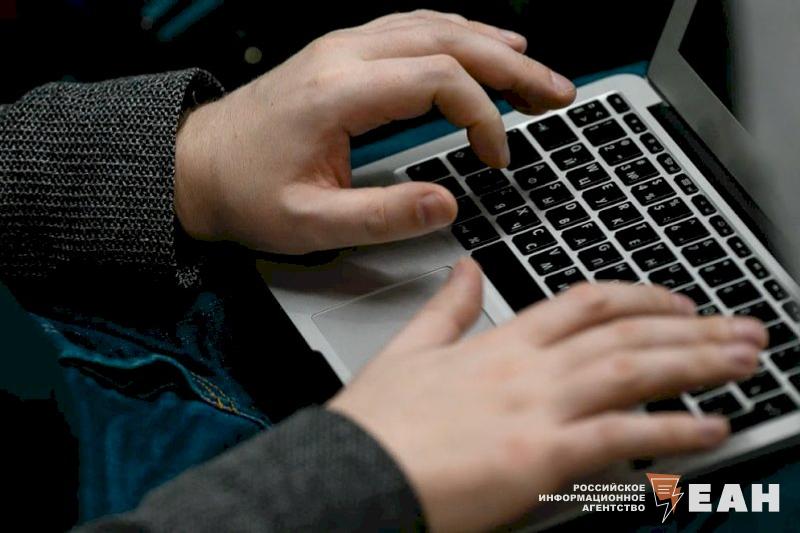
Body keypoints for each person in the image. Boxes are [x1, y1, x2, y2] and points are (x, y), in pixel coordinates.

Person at [0, 11, 768, 532]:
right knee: (734, 494)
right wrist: (365, 475)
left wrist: (187, 159)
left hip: (128, 320)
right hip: (292, 491)